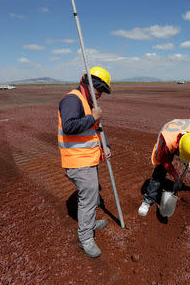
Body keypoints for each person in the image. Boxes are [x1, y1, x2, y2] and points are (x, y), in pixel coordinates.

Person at [57, 66, 112, 258]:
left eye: (103, 91)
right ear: (88, 84)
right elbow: (69, 126)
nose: (100, 94)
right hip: (77, 161)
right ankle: (85, 239)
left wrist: (106, 145)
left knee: (92, 195)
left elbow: (96, 129)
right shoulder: (72, 99)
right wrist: (92, 117)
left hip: (88, 159)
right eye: (99, 89)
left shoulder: (88, 101)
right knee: (88, 200)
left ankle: (89, 223)